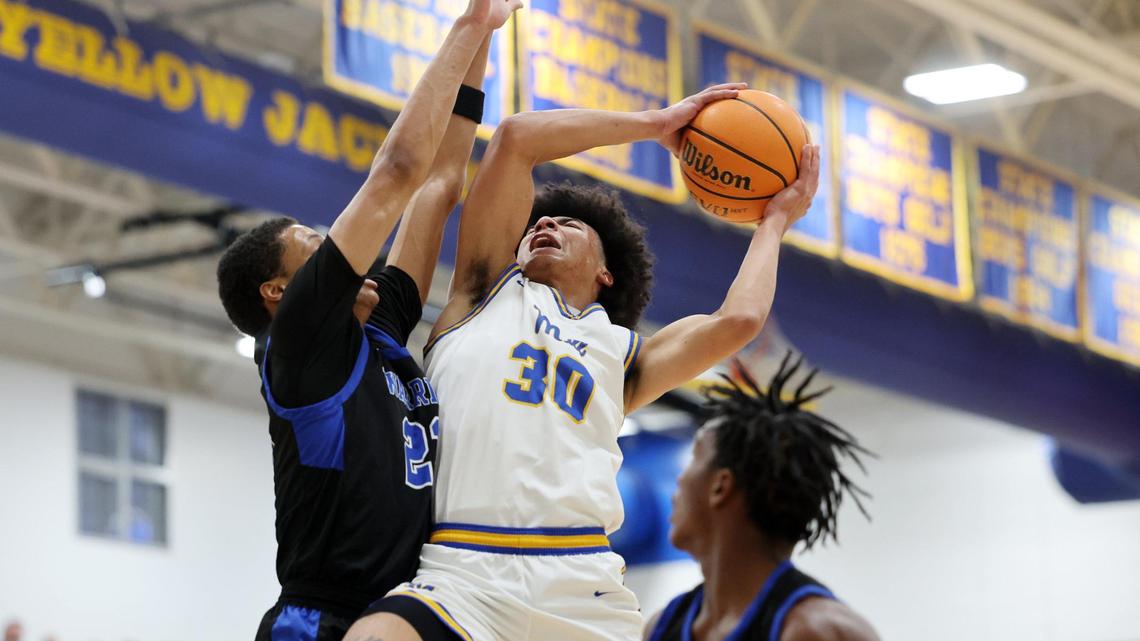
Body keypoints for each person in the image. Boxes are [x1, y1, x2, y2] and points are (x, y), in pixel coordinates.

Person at [346, 84, 820, 641]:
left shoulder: (622, 353)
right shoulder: (481, 293)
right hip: (463, 571)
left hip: (581, 584)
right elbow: (516, 139)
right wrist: (655, 124)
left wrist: (773, 223)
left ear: (606, 272)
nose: (545, 226)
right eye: (535, 227)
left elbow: (738, 320)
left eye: (568, 225)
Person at [214, 1, 520, 639]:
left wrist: (487, 33)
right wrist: (465, 24)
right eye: (312, 241)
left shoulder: (376, 332)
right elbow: (399, 172)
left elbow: (439, 183)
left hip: (404, 617)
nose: (333, 241)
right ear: (280, 292)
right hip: (320, 619)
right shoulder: (298, 342)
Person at [644, 355, 880, 641]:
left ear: (721, 486)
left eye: (694, 458)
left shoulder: (817, 630)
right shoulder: (660, 626)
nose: (680, 480)